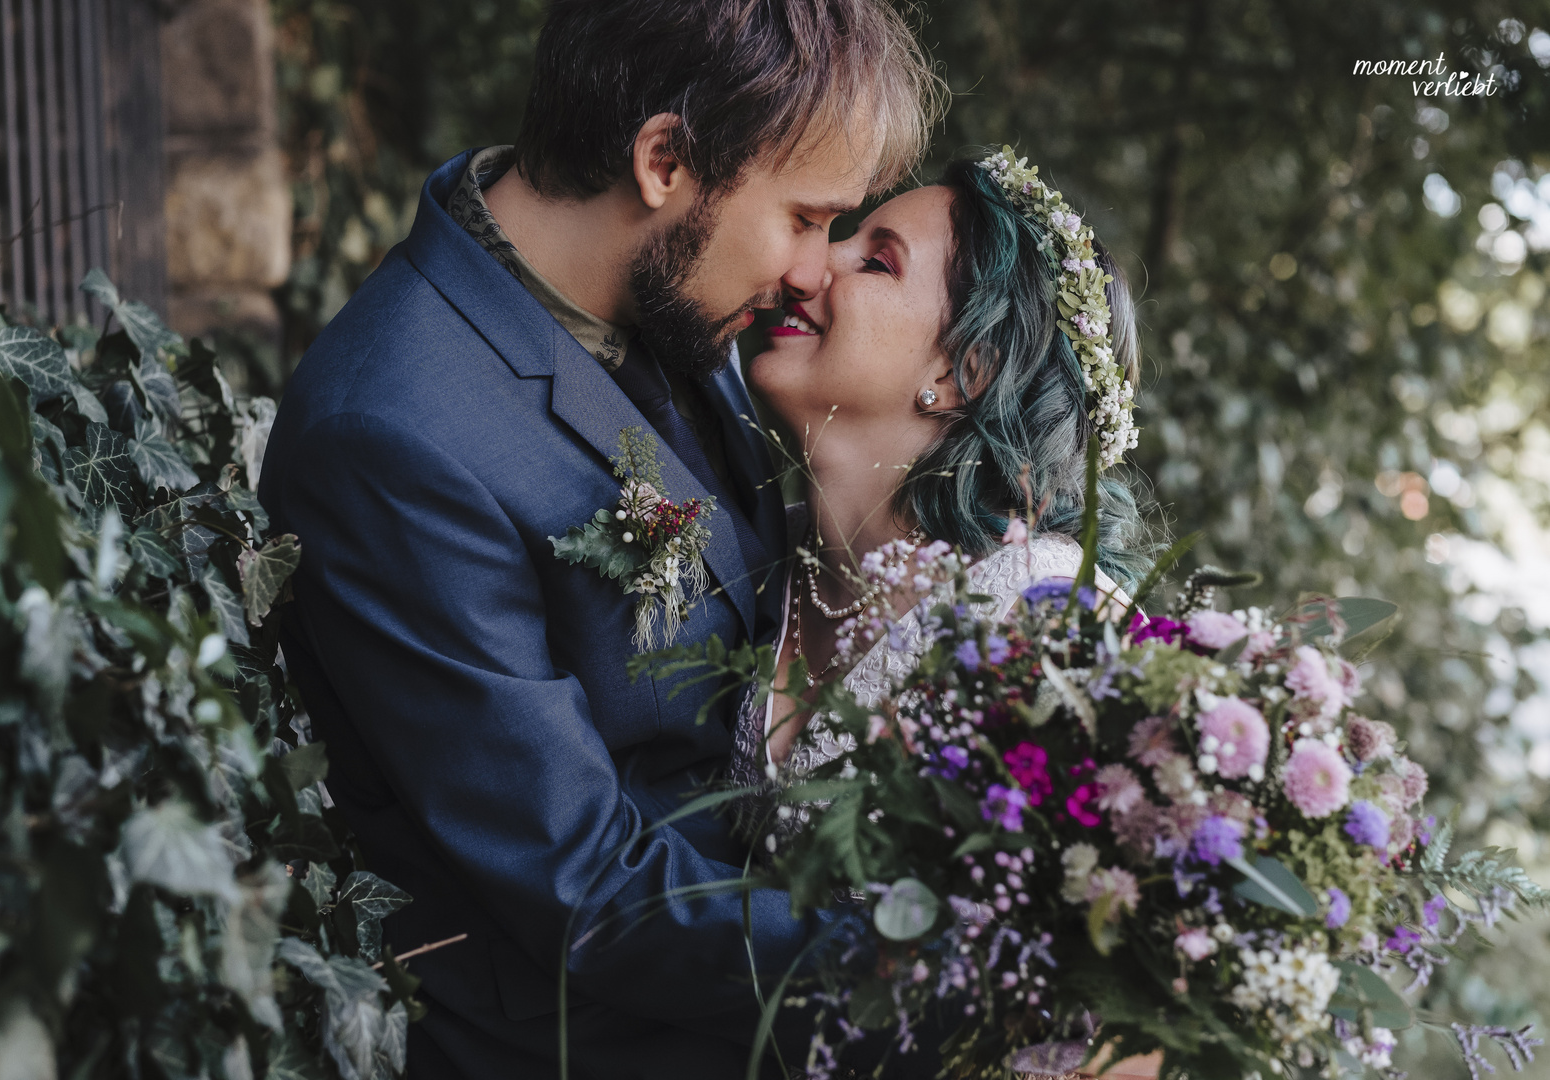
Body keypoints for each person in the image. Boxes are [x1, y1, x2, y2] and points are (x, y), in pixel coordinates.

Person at [257, 1, 943, 1077]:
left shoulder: (673, 290)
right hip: (600, 1035)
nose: (817, 271)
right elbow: (585, 888)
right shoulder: (394, 433)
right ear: (664, 159)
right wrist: (941, 984)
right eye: (806, 218)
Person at [730, 150, 1162, 1079]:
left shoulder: (1050, 629)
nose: (809, 265)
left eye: (875, 259)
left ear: (966, 371)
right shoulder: (744, 553)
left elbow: (1123, 1021)